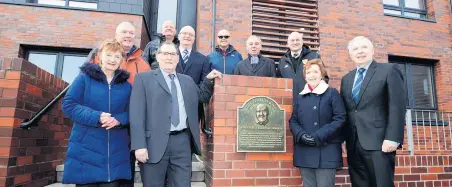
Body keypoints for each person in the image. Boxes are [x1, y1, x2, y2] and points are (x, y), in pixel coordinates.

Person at [129, 43, 222, 187]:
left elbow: (201, 97)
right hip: (153, 143)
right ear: (158, 57)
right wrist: (139, 145)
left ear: (177, 58)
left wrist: (209, 79)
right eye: (165, 53)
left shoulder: (187, 80)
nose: (169, 57)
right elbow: (136, 113)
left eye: (173, 54)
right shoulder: (143, 79)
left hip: (182, 142)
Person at [62, 39, 132, 187]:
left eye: (117, 56)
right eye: (109, 55)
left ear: (122, 60)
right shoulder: (84, 79)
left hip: (115, 153)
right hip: (85, 150)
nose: (112, 60)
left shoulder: (127, 86)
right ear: (100, 56)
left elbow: (133, 112)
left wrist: (118, 120)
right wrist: (97, 116)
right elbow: (68, 105)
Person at [340, 36, 406, 187]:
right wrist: (344, 138)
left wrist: (393, 138)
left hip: (380, 143)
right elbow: (347, 111)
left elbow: (397, 106)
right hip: (353, 144)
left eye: (364, 47)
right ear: (350, 54)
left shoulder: (389, 70)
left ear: (372, 50)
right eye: (355, 49)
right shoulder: (346, 79)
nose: (360, 51)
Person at [289, 59, 345, 187]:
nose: (311, 75)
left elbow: (340, 118)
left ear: (322, 74)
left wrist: (318, 136)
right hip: (305, 150)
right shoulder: (300, 97)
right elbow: (293, 120)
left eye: (315, 71)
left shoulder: (332, 93)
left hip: (326, 151)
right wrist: (301, 135)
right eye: (308, 72)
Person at [86, 22, 151, 84]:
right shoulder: (99, 53)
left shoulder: (143, 57)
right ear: (116, 35)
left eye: (131, 33)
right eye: (124, 32)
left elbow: (149, 85)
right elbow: (85, 78)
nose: (128, 35)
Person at [278, 32, 327, 99]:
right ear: (288, 44)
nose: (295, 42)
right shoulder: (282, 61)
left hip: (310, 100)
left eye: (297, 40)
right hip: (289, 102)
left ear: (302, 42)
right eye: (292, 40)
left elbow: (324, 77)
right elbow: (279, 83)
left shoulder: (314, 56)